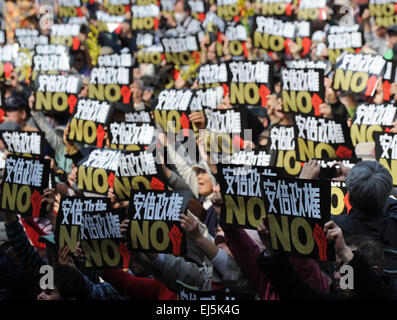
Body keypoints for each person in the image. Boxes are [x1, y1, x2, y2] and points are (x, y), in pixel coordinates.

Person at [256, 217, 397, 300]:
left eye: (345, 269)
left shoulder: (387, 294)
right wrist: (272, 250)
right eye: (336, 268)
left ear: (374, 272)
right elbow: (296, 292)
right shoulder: (337, 296)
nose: (336, 276)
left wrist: (344, 251)